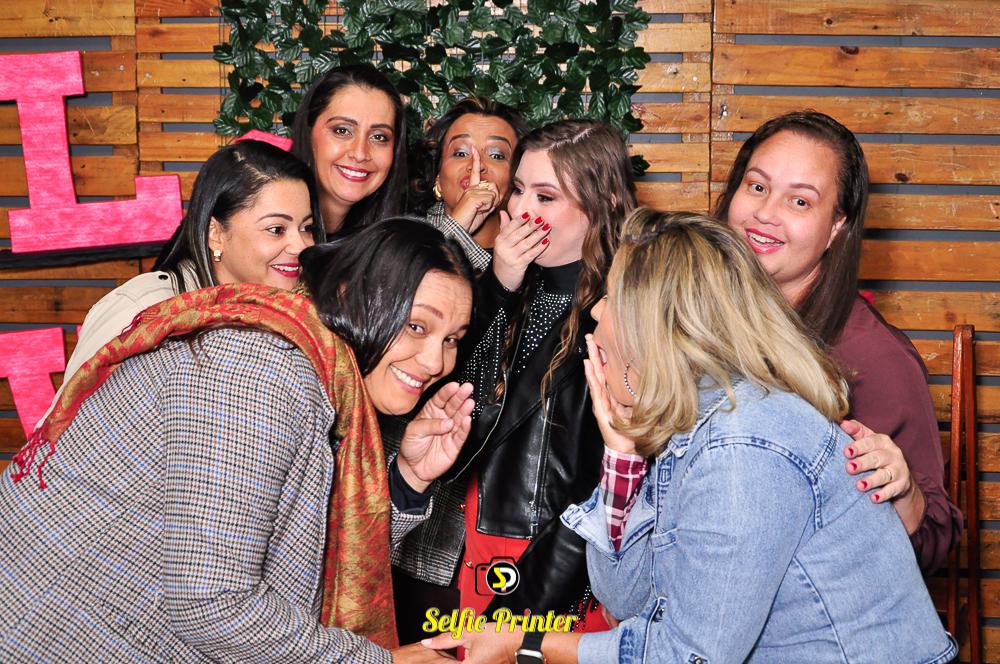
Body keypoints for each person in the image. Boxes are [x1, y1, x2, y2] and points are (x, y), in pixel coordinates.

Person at [424, 210, 957, 663]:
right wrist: (621, 459)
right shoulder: (693, 419)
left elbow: (690, 656)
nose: (597, 311)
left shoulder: (742, 446)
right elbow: (627, 598)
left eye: (613, 297)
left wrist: (526, 643)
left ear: (657, 330)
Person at [0, 219, 476, 663]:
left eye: (452, 338)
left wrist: (408, 480)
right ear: (352, 294)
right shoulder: (260, 369)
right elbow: (210, 603)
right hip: (51, 637)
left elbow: (312, 552)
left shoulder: (321, 370)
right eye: (417, 326)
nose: (436, 362)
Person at [393, 120, 638, 644]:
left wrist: (516, 614)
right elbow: (449, 398)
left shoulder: (624, 316)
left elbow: (611, 491)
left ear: (607, 201)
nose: (523, 210)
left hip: (557, 568)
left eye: (546, 197)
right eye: (520, 189)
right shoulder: (507, 286)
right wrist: (499, 287)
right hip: (473, 550)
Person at [714, 110, 961, 572]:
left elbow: (935, 540)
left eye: (800, 201)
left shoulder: (874, 356)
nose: (765, 213)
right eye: (758, 187)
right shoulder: (699, 318)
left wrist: (903, 492)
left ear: (836, 226)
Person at [40, 140, 322, 426]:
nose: (301, 246)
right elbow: (62, 432)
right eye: (276, 229)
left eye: (306, 228)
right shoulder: (144, 310)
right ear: (215, 234)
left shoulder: (291, 315)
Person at [410, 96, 528, 271]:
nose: (476, 165)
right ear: (438, 177)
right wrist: (456, 228)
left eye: (496, 155)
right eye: (460, 153)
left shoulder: (538, 250)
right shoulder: (400, 240)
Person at [291, 64, 408, 235]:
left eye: (379, 137)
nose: (360, 154)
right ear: (309, 132)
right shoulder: (260, 218)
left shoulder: (395, 237)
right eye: (342, 131)